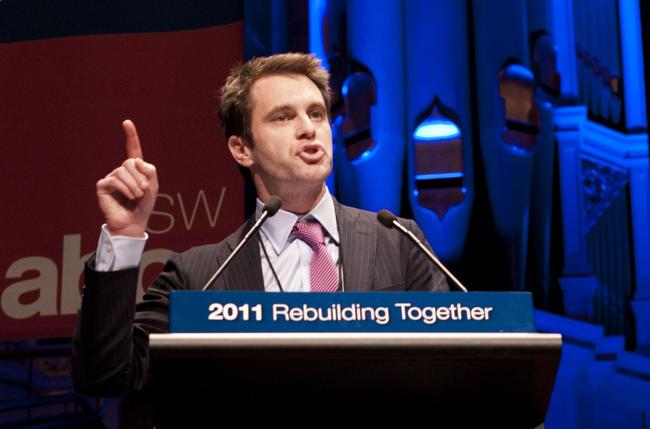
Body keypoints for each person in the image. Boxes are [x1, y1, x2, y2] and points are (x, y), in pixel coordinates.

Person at [72, 52, 448, 395]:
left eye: (317, 113)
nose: (308, 128)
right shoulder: (199, 276)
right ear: (242, 149)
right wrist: (123, 236)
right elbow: (107, 374)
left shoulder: (398, 242)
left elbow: (448, 365)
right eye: (283, 117)